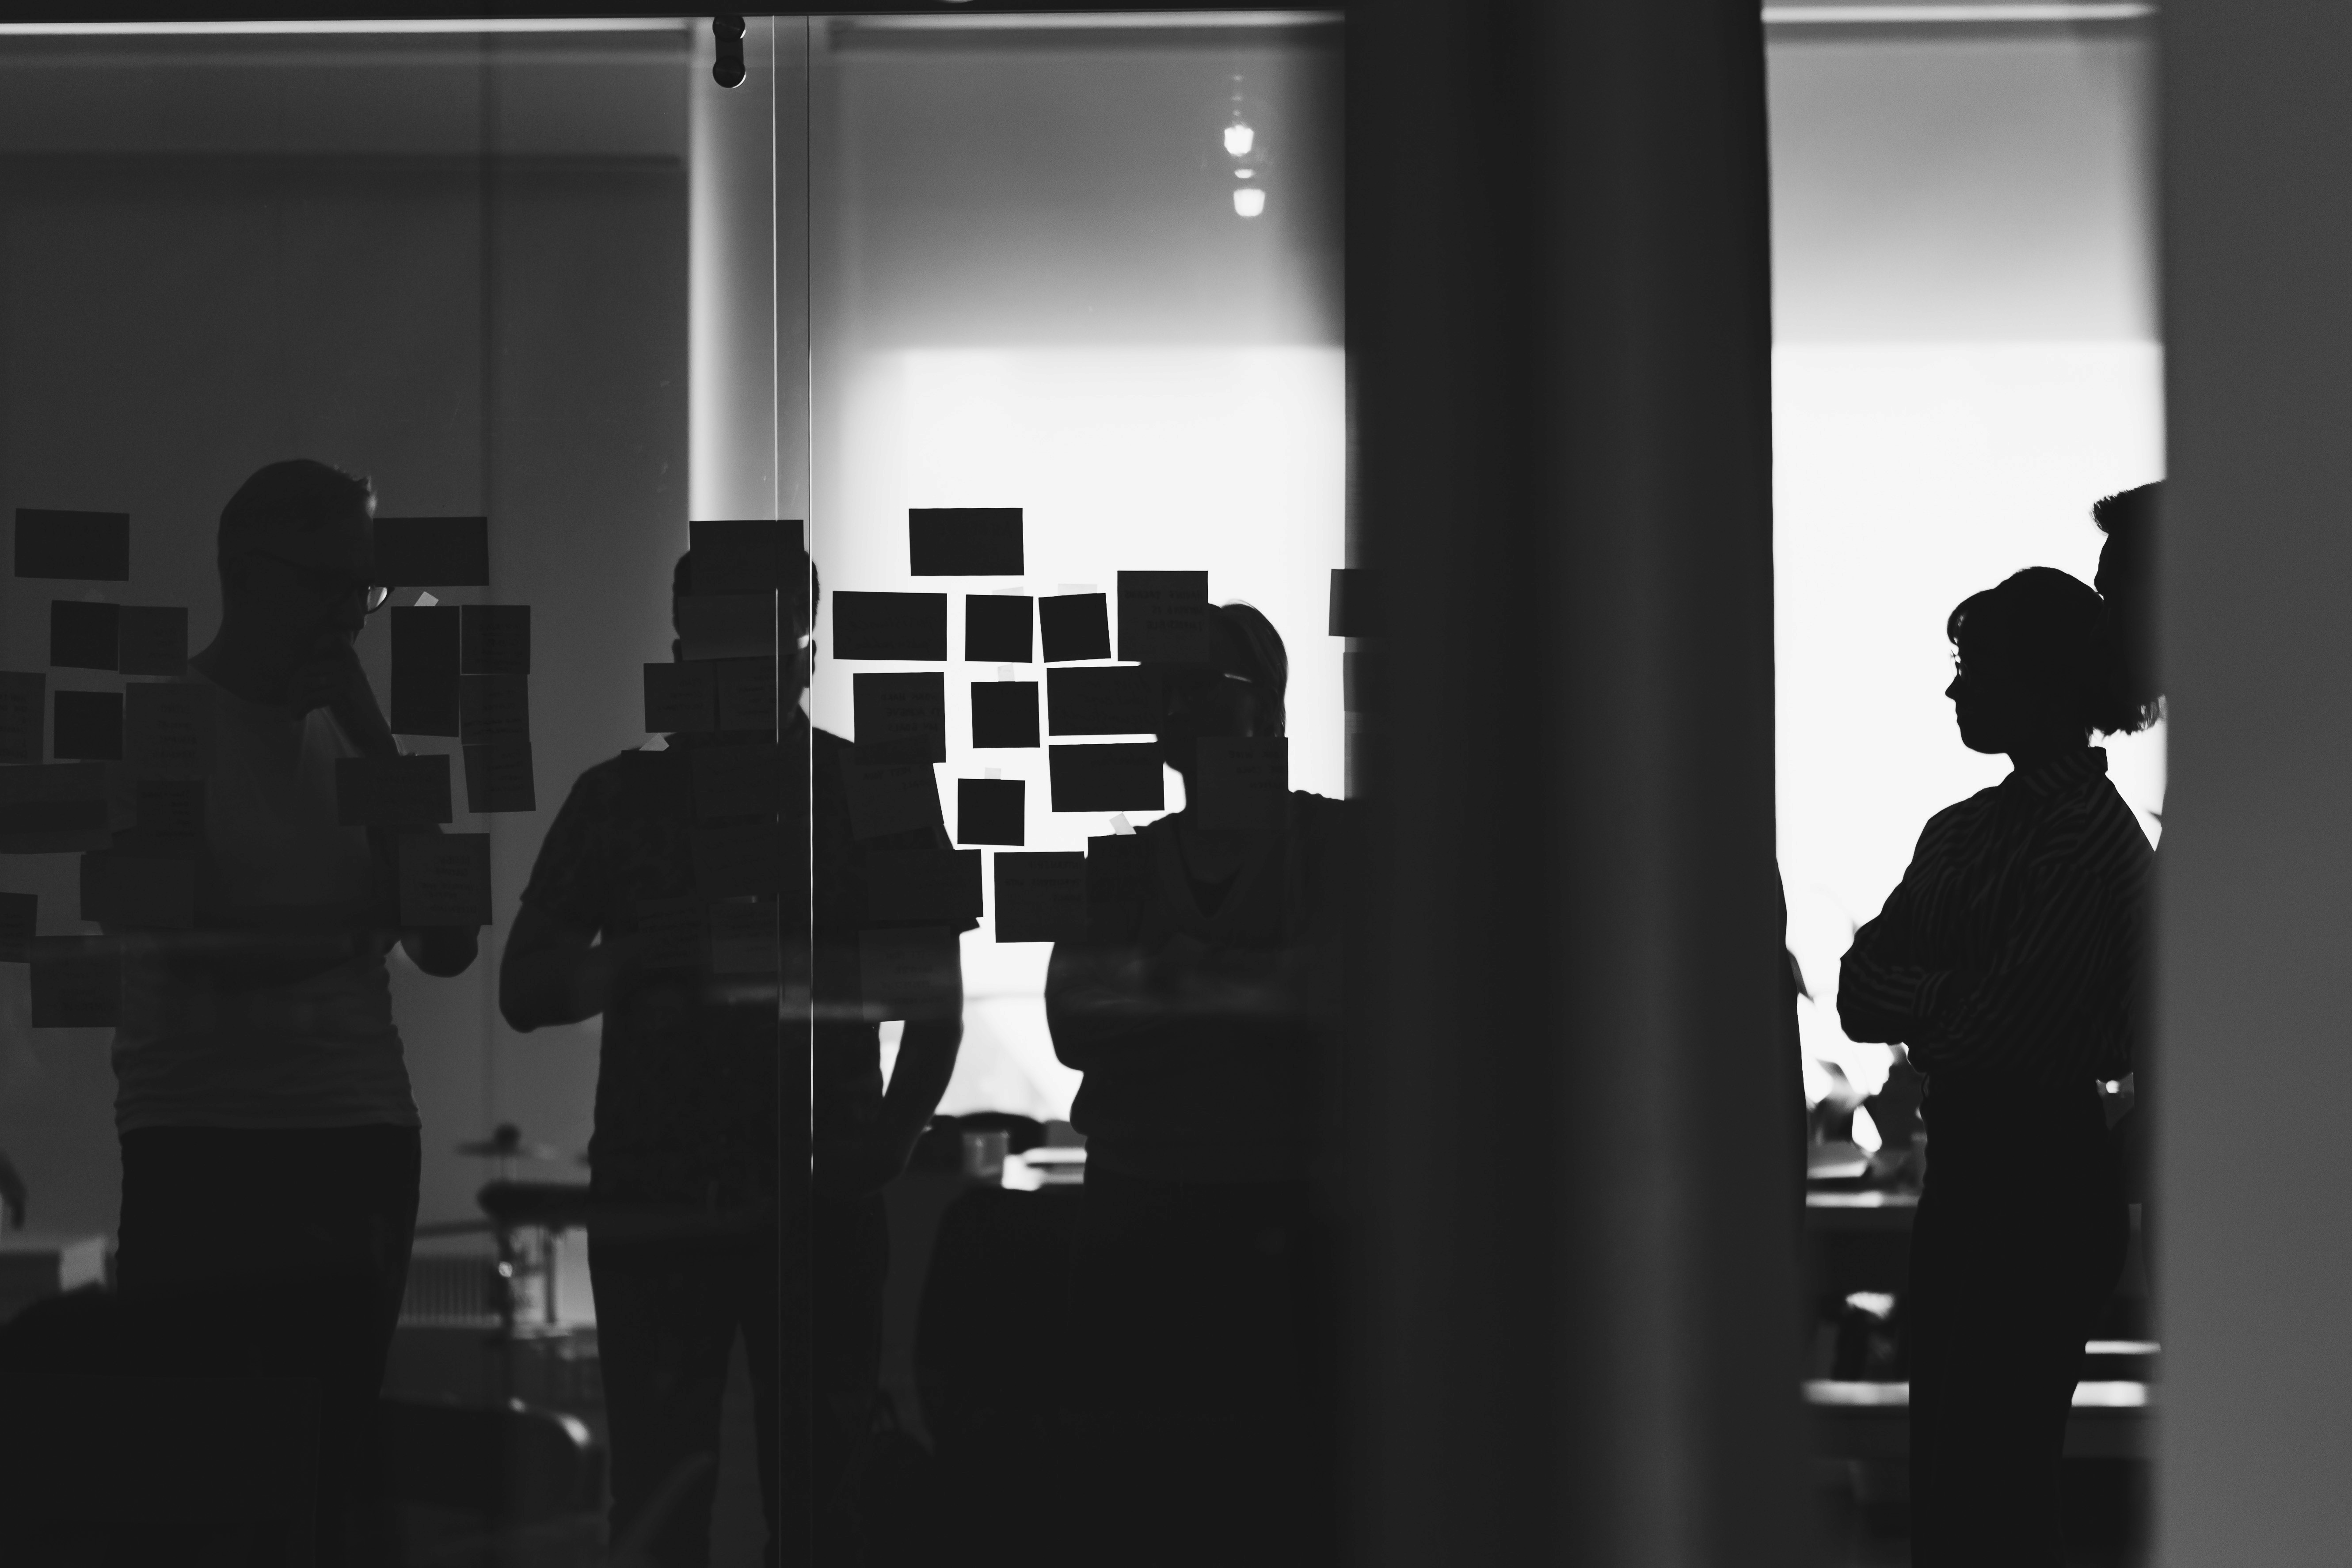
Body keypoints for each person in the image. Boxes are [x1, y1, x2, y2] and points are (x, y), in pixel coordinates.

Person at [500, 547, 967, 1567]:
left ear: (806, 650)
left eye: (764, 642)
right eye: (720, 643)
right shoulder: (625, 797)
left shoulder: (865, 785)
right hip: (670, 1192)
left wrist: (882, 1145)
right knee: (674, 1502)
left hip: (801, 1194)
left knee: (815, 1504)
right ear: (680, 651)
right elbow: (524, 988)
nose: (747, 666)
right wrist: (626, 960)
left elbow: (936, 1000)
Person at [108, 458, 480, 1568]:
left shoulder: (361, 735)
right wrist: (347, 933)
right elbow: (184, 944)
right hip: (203, 1136)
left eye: (364, 590)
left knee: (332, 1459)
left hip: (355, 1129)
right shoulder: (165, 725)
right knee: (203, 1467)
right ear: (248, 574)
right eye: (330, 583)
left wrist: (377, 744)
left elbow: (448, 943)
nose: (349, 615)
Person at [1838, 489, 2159, 1568]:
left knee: (2002, 1481)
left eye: (1978, 668)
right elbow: (1857, 990)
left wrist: (1928, 998)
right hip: (1978, 1171)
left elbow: (2000, 1025)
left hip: (2039, 1172)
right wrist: (1952, 999)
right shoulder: (1971, 826)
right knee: (1956, 1471)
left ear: (2044, 684)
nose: (1955, 685)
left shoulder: (2091, 842)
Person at [1044, 602, 1350, 1568]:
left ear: (1268, 710)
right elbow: (1074, 1022)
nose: (1185, 715)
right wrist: (1258, 991)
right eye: (1169, 696)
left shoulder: (1337, 846)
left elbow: (1348, 1002)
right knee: (1144, 1505)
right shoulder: (1124, 864)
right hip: (1142, 1216)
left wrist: (1171, 981)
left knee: (1282, 1501)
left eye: (1210, 693)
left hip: (1283, 1217)